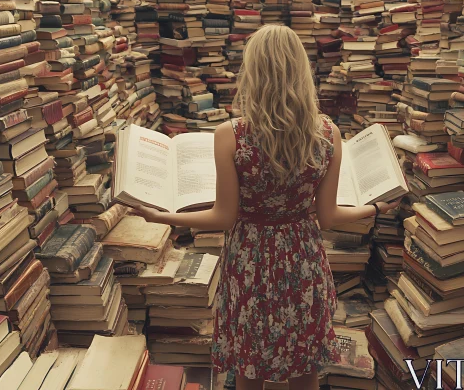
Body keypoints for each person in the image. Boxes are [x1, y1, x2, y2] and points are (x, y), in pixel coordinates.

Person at [130, 24, 399, 390]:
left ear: (253, 73)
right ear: (301, 71)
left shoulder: (231, 135)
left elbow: (223, 217)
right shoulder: (327, 134)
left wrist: (165, 215)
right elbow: (330, 217)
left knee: (249, 370)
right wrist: (376, 208)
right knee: (305, 371)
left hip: (250, 262)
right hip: (303, 260)